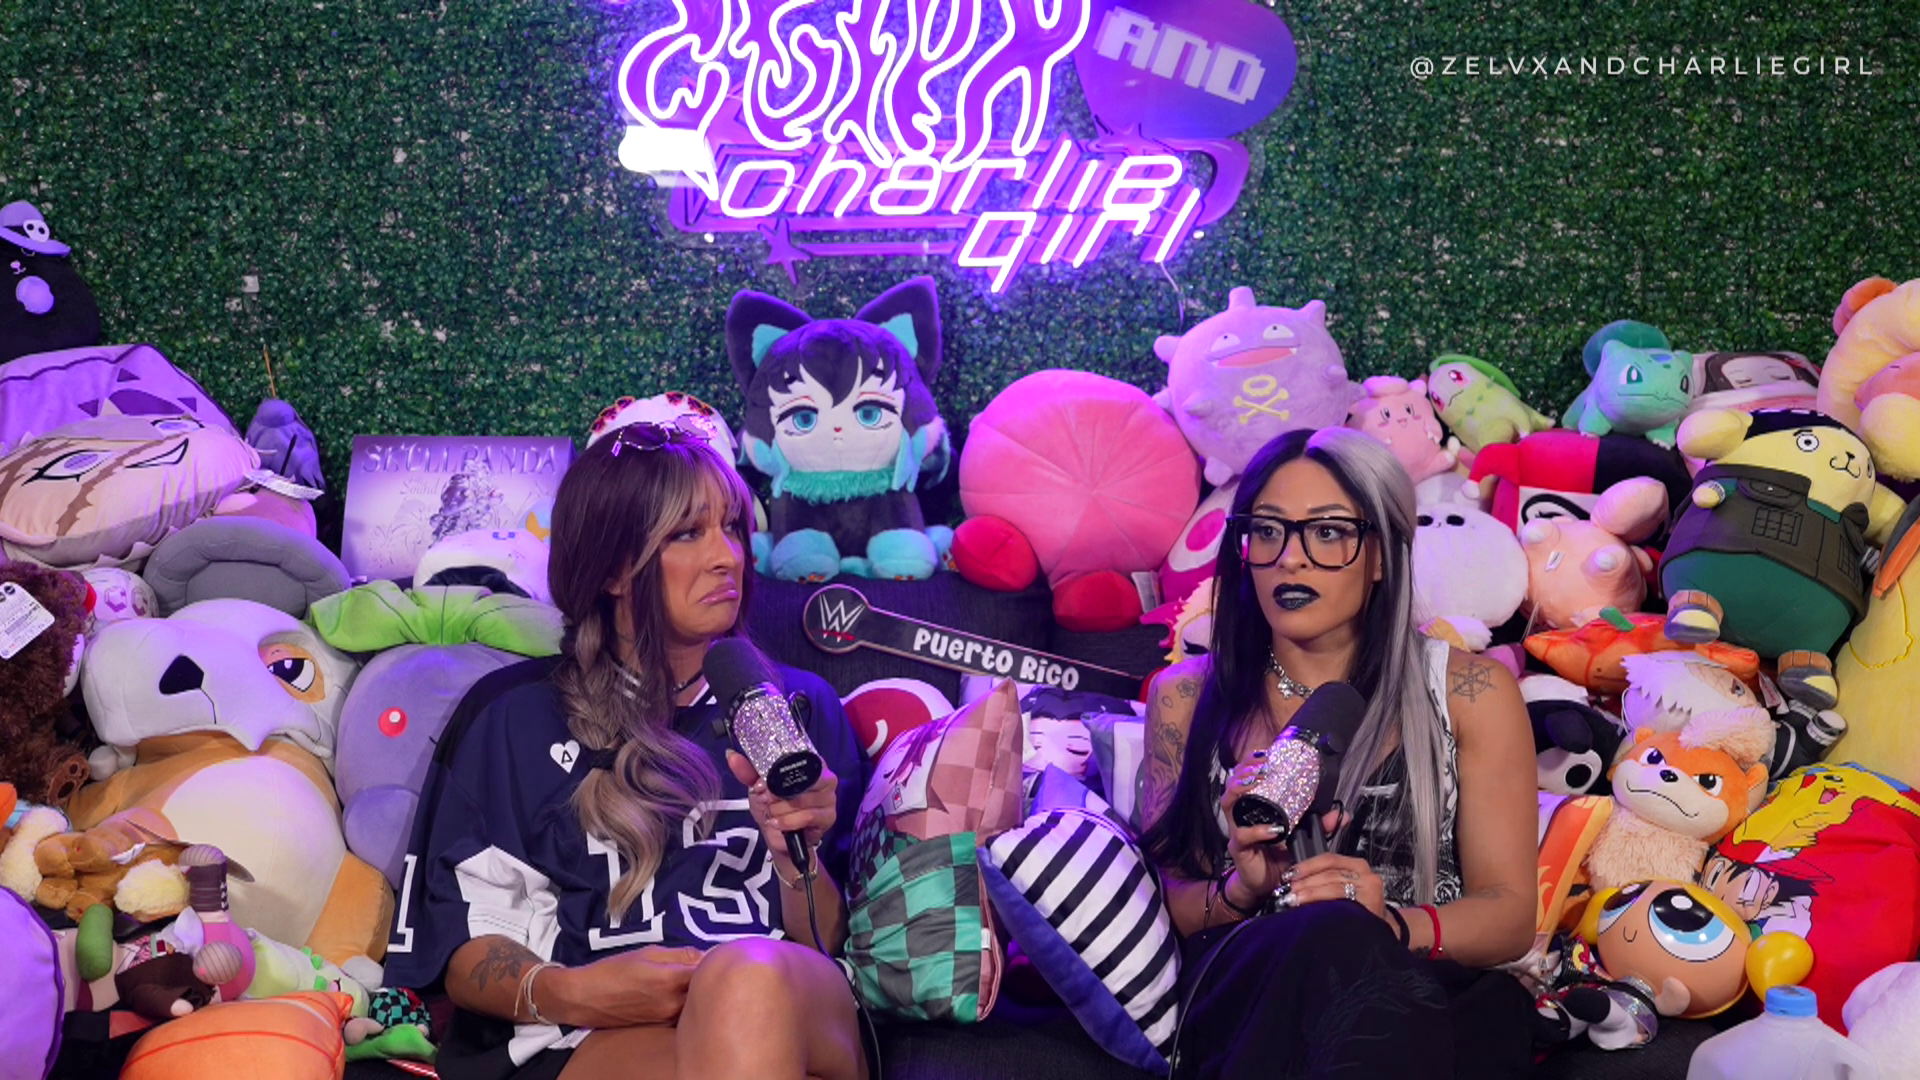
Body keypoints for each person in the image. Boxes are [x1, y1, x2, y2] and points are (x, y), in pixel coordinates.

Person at [382, 419, 869, 1080]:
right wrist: (578, 992)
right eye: (687, 533)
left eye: (731, 527)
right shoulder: (511, 717)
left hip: (793, 1010)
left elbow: (828, 944)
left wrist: (793, 860)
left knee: (745, 979)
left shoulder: (799, 709)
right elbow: (465, 950)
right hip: (591, 1033)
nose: (727, 556)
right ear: (613, 568)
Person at [1141, 427, 1539, 1079]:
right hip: (1255, 998)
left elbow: (1510, 914)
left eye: (1327, 532)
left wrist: (1387, 924)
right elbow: (1166, 902)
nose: (1289, 559)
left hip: (1419, 988)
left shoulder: (1472, 692)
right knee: (1325, 941)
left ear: (1381, 555)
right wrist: (1245, 888)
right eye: (1267, 530)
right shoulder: (1184, 698)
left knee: (1479, 1005)